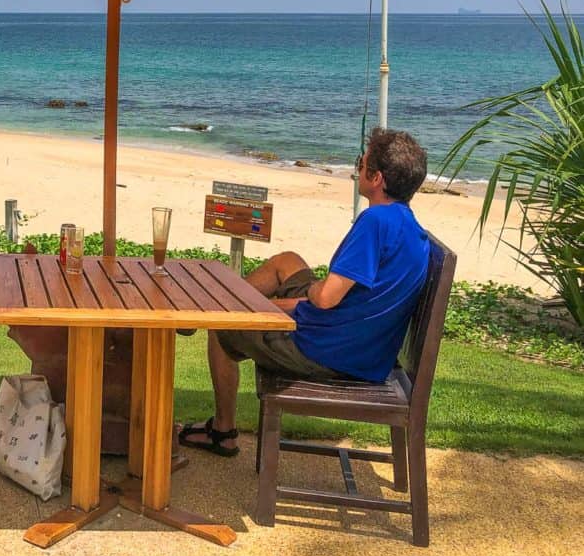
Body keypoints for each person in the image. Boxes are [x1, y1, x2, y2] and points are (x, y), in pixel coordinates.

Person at [180, 127, 431, 456]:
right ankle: (210, 306)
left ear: (378, 178)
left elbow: (327, 298)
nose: (357, 169)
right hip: (357, 343)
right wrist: (294, 302)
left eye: (361, 162)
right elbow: (353, 301)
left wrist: (303, 298)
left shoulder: (375, 221)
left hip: (330, 351)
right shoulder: (410, 228)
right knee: (287, 262)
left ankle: (222, 431)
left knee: (222, 328)